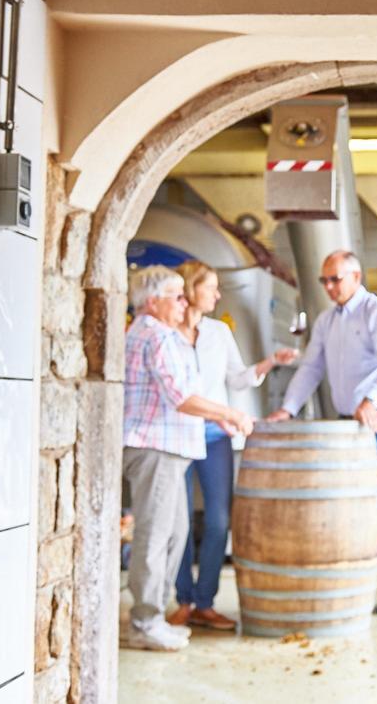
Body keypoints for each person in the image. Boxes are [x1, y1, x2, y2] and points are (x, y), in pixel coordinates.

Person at [266, 250, 377, 614]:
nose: (329, 286)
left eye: (335, 278)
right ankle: (352, 583)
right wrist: (286, 409)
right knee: (353, 503)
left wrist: (369, 399)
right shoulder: (326, 321)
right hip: (347, 423)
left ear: (356, 276)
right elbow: (310, 368)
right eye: (325, 280)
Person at [122, 265, 256, 651]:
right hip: (157, 448)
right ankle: (145, 621)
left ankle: (155, 616)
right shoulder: (156, 336)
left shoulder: (156, 334)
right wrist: (229, 414)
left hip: (171, 447)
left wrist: (220, 418)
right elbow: (180, 397)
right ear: (153, 302)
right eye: (177, 296)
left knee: (175, 533)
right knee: (154, 535)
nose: (185, 303)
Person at [167, 261, 299, 631]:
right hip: (175, 435)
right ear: (192, 290)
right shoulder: (167, 332)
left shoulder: (219, 333)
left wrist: (270, 362)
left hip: (214, 436)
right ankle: (184, 600)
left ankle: (205, 602)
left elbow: (237, 380)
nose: (218, 294)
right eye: (211, 287)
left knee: (219, 520)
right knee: (177, 523)